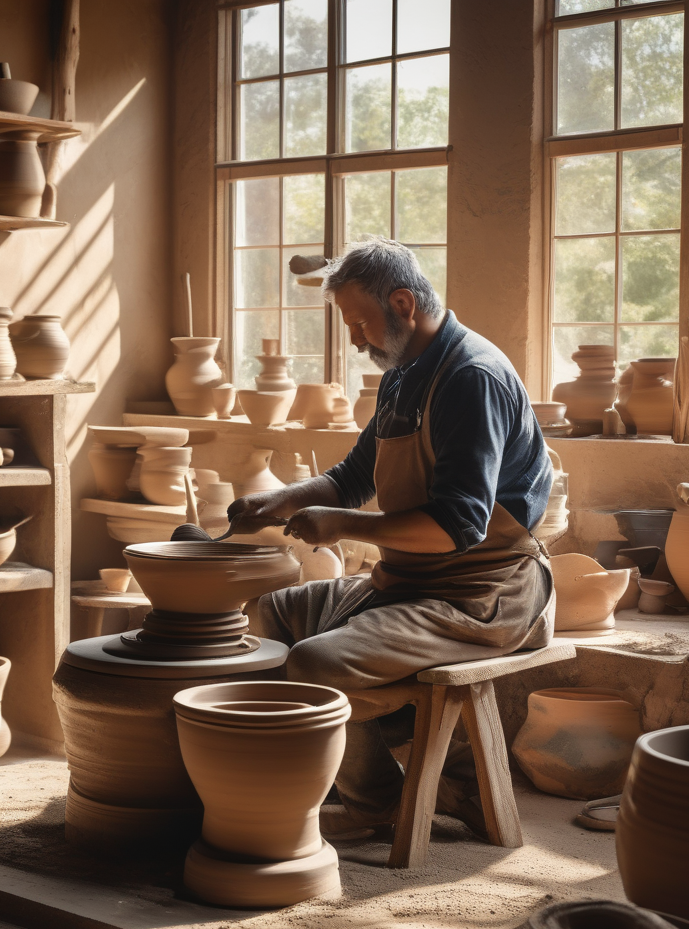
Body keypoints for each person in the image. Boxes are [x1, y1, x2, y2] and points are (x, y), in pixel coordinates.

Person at [228, 237, 555, 837]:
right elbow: (353, 478)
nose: (355, 340)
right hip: (411, 580)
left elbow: (458, 528)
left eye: (359, 322)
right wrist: (283, 499)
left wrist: (346, 527)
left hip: (482, 594)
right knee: (264, 616)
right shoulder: (404, 373)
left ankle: (383, 805)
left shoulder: (470, 379)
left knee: (310, 666)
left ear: (403, 303)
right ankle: (399, 783)